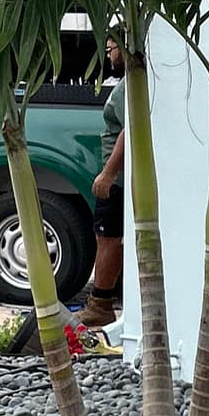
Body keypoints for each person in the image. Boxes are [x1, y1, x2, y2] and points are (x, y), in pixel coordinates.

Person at [77, 35, 125, 333]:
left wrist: (108, 173)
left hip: (118, 180)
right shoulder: (127, 85)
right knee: (106, 238)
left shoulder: (131, 87)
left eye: (110, 49)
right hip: (119, 178)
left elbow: (129, 131)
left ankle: (100, 306)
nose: (108, 56)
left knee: (108, 238)